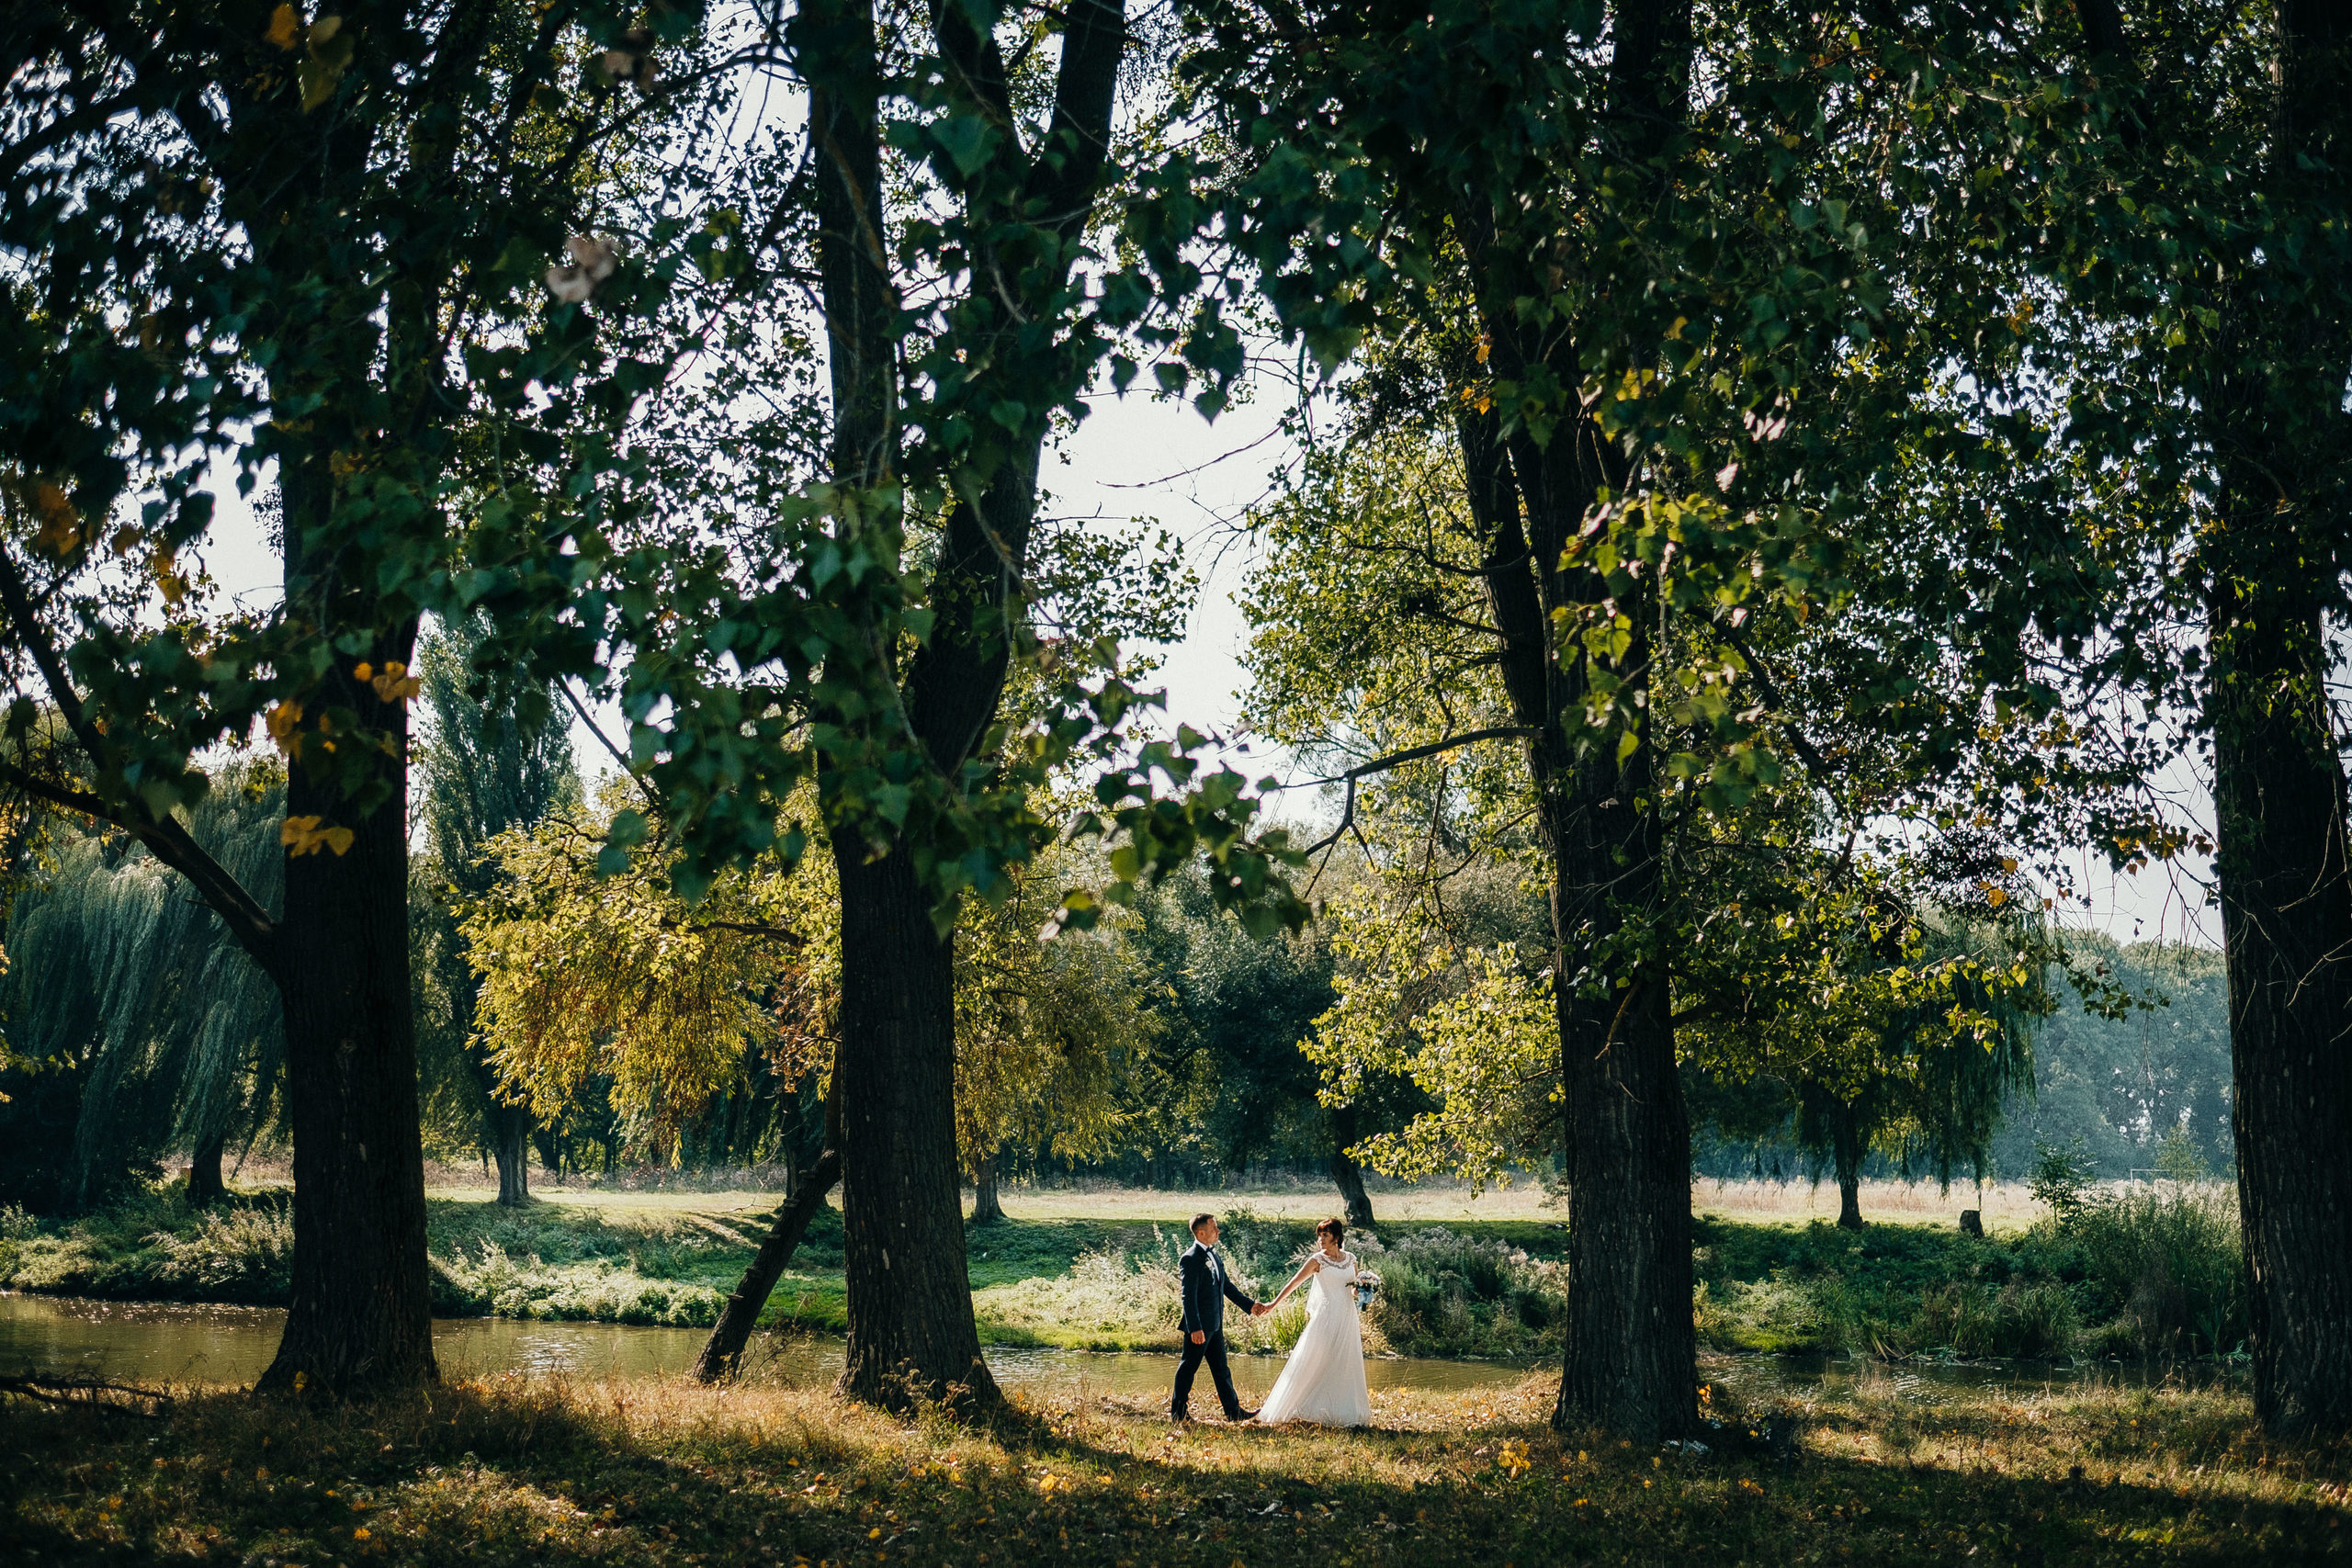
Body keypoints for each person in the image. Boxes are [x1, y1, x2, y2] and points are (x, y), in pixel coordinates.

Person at [1254, 1216, 1372, 1427]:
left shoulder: (1351, 1259)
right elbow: (1294, 1283)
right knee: (1315, 1358)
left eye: (1325, 1235)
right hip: (1326, 1316)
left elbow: (1353, 1289)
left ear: (1336, 1237)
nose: (1320, 1239)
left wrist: (1364, 1288)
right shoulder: (1317, 1260)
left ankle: (1343, 1410)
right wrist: (1273, 1303)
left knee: (1344, 1361)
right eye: (1319, 1235)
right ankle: (1301, 1406)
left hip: (1346, 1315)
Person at [1172, 1213, 1271, 1423]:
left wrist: (1250, 1305)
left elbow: (1226, 1286)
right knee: (1188, 1369)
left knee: (1221, 1370)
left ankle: (1233, 1412)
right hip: (1199, 1327)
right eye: (1214, 1228)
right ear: (1201, 1232)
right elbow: (1187, 1297)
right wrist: (1195, 1327)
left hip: (1215, 1324)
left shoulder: (1214, 1255)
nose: (1218, 1231)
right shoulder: (1190, 1258)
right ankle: (1178, 1413)